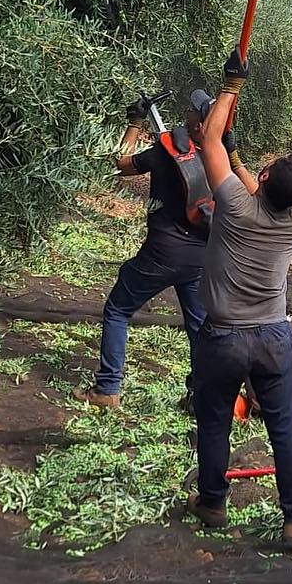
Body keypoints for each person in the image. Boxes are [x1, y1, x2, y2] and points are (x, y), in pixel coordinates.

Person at [189, 49, 292, 548]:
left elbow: (207, 141)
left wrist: (231, 86)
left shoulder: (231, 204)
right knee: (283, 428)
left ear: (266, 178)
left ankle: (212, 502)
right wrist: (236, 156)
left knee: (214, 421)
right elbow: (258, 185)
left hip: (224, 337)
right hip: (273, 338)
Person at [82, 89, 223, 409]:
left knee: (118, 309)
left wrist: (135, 121)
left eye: (194, 110)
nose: (188, 111)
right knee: (199, 328)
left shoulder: (165, 151)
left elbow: (121, 164)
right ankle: (202, 398)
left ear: (199, 125)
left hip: (162, 254)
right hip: (200, 258)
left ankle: (107, 389)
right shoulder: (222, 160)